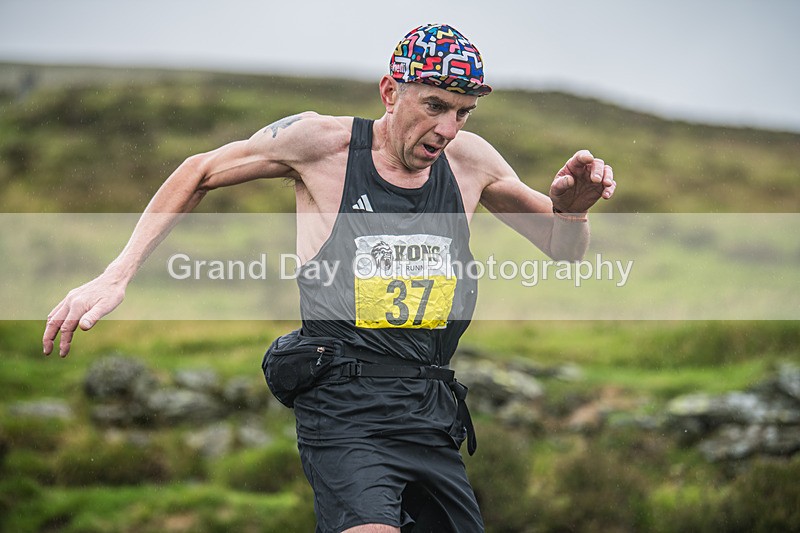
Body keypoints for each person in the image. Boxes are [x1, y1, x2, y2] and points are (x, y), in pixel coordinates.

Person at [43, 23, 615, 533]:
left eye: (463, 112)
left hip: (428, 406)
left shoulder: (471, 162)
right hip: (344, 402)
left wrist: (574, 211)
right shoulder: (320, 145)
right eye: (435, 105)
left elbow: (562, 249)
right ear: (391, 92)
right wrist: (116, 274)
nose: (447, 128)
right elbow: (200, 170)